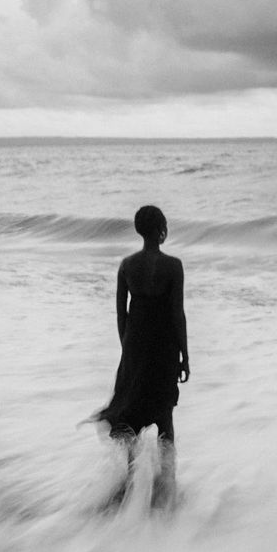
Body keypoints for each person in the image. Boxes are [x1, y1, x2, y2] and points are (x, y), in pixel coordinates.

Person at [94, 206, 189, 499]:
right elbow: (177, 313)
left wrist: (128, 349)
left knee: (131, 412)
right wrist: (185, 354)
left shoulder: (127, 265)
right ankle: (167, 485)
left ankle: (132, 479)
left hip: (135, 345)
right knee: (164, 416)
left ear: (139, 230)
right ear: (161, 228)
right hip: (163, 348)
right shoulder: (173, 266)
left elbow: (121, 314)